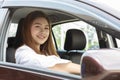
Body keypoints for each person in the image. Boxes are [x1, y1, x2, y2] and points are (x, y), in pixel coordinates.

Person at [15, 10, 80, 74]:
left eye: (46, 28)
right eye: (37, 26)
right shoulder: (22, 52)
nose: (43, 31)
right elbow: (41, 64)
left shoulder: (46, 52)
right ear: (27, 29)